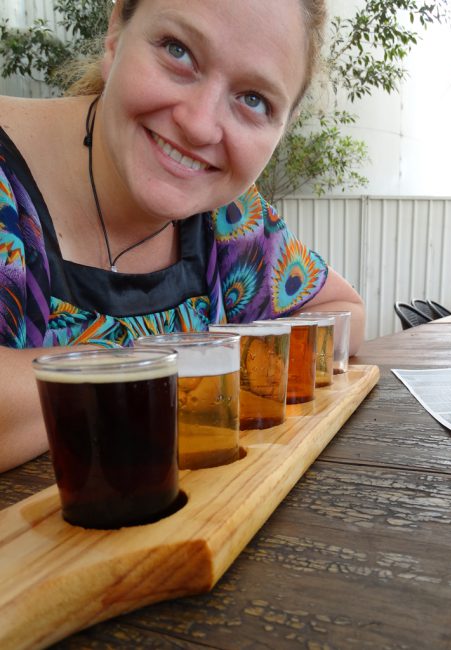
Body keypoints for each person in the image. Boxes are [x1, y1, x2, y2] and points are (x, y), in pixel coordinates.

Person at [0, 0, 365, 472]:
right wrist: (189, 363)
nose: (197, 125)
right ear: (116, 34)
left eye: (254, 100)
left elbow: (342, 315)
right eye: (178, 50)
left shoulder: (229, 217)